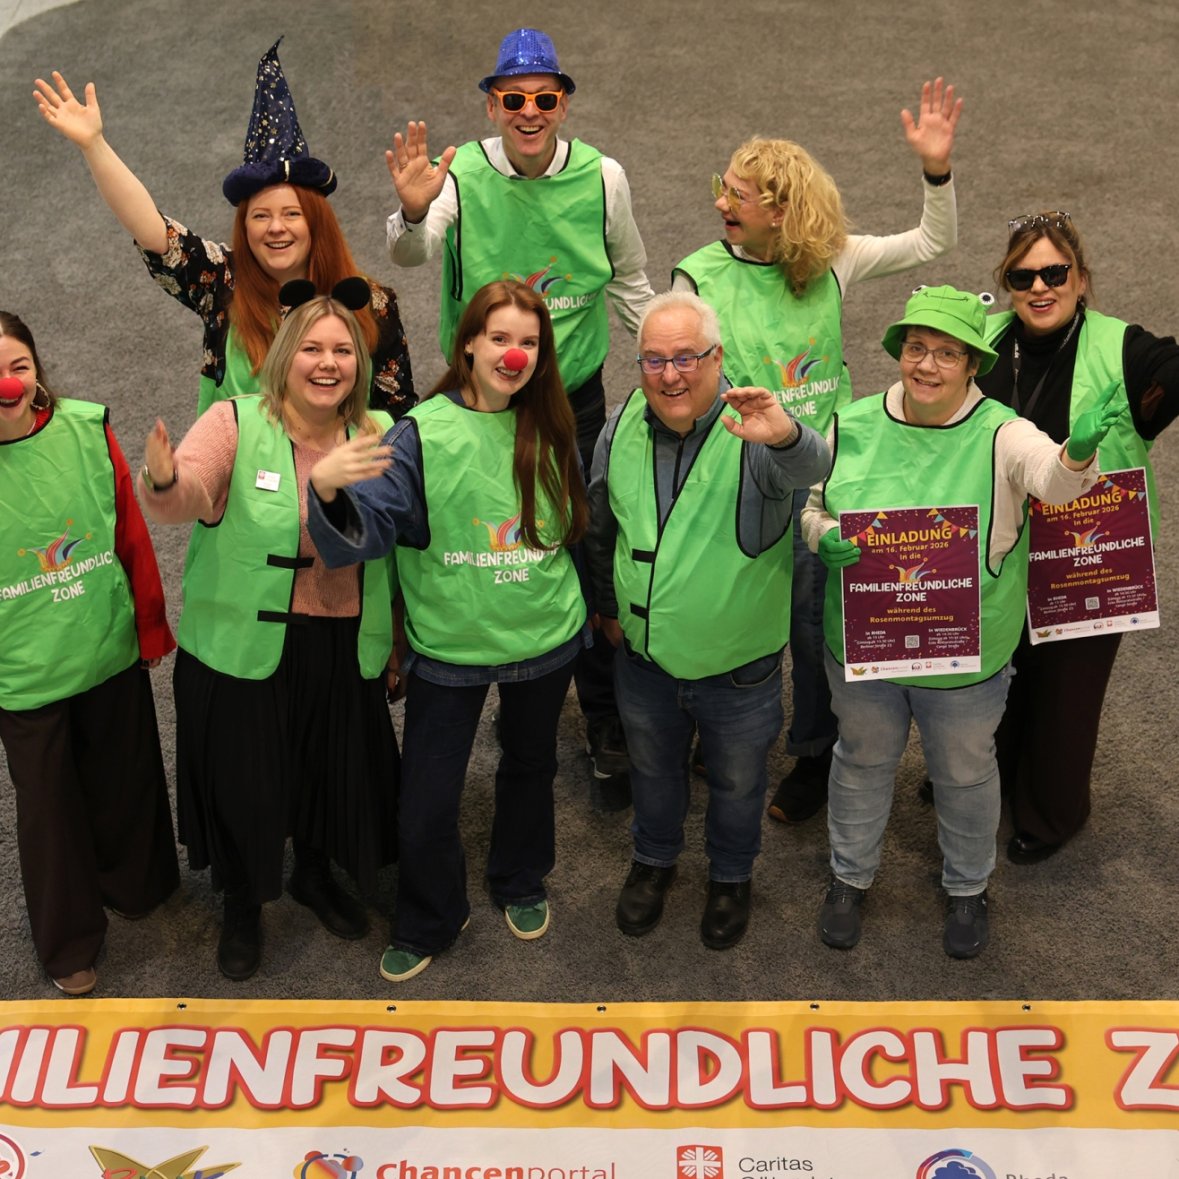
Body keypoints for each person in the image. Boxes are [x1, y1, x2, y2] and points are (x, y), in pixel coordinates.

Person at [802, 285, 1124, 959]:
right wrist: (821, 535)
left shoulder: (1004, 432)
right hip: (866, 647)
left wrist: (1077, 453)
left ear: (972, 365)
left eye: (947, 354)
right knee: (860, 760)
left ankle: (968, 886)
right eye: (916, 348)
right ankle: (848, 878)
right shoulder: (849, 424)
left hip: (965, 657)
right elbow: (813, 505)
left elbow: (1053, 481)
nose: (927, 365)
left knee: (964, 772)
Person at [673, 79, 962, 826]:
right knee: (731, 604)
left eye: (736, 195)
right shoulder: (696, 274)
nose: (719, 202)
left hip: (820, 478)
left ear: (780, 211)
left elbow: (931, 242)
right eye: (720, 187)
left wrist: (935, 169)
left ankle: (811, 753)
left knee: (810, 625)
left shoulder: (833, 261)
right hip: (735, 474)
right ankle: (721, 725)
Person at [384, 28, 653, 795]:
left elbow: (628, 279)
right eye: (513, 98)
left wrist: (681, 360)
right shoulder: (459, 175)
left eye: (543, 98)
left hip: (571, 399)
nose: (528, 111)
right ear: (492, 106)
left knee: (585, 541)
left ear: (563, 103)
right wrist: (411, 212)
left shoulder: (604, 178)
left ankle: (601, 715)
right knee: (488, 537)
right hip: (481, 402)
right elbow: (410, 254)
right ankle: (503, 676)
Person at [307, 279, 588, 983]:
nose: (514, 355)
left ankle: (520, 877)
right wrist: (329, 489)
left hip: (544, 640)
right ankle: (432, 914)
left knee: (531, 766)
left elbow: (577, 527)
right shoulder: (418, 433)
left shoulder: (552, 422)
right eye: (500, 338)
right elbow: (366, 534)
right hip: (450, 651)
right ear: (468, 345)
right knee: (426, 800)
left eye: (529, 342)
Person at [139, 283, 399, 981]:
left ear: (359, 363)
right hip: (240, 645)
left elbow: (394, 541)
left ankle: (313, 873)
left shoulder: (378, 431)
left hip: (340, 635)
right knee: (243, 782)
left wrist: (399, 641)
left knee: (321, 768)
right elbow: (189, 494)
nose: (328, 362)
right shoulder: (234, 420)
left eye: (342, 350)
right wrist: (163, 481)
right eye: (311, 347)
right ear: (285, 355)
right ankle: (242, 903)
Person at [585, 291, 829, 950]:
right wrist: (608, 605)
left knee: (738, 782)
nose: (670, 375)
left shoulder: (755, 428)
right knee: (653, 772)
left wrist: (785, 433)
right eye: (654, 359)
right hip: (645, 663)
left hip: (738, 670)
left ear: (717, 359)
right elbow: (601, 521)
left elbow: (813, 465)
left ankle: (730, 876)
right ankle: (653, 860)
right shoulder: (620, 424)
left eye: (686, 358)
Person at [34, 39, 415, 418]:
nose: (276, 228)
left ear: (318, 223)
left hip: (342, 458)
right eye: (260, 216)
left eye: (292, 214)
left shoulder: (371, 303)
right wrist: (94, 146)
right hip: (235, 456)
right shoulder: (222, 280)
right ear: (244, 227)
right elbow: (152, 231)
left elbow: (398, 417)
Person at [976, 211, 1179, 863]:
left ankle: (1050, 813)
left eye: (1054, 272)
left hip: (1089, 556)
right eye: (1022, 276)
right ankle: (984, 776)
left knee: (1067, 692)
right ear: (1007, 284)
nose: (1039, 287)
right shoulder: (979, 341)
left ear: (1081, 279)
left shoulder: (1122, 347)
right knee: (992, 670)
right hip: (999, 545)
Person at [0, 310, 179, 996]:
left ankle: (137, 883)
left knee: (124, 773)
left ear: (36, 371)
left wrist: (150, 624)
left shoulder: (85, 426)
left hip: (104, 645)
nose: (8, 383)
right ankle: (70, 941)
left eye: (19, 366)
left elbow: (129, 529)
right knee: (48, 813)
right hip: (25, 673)